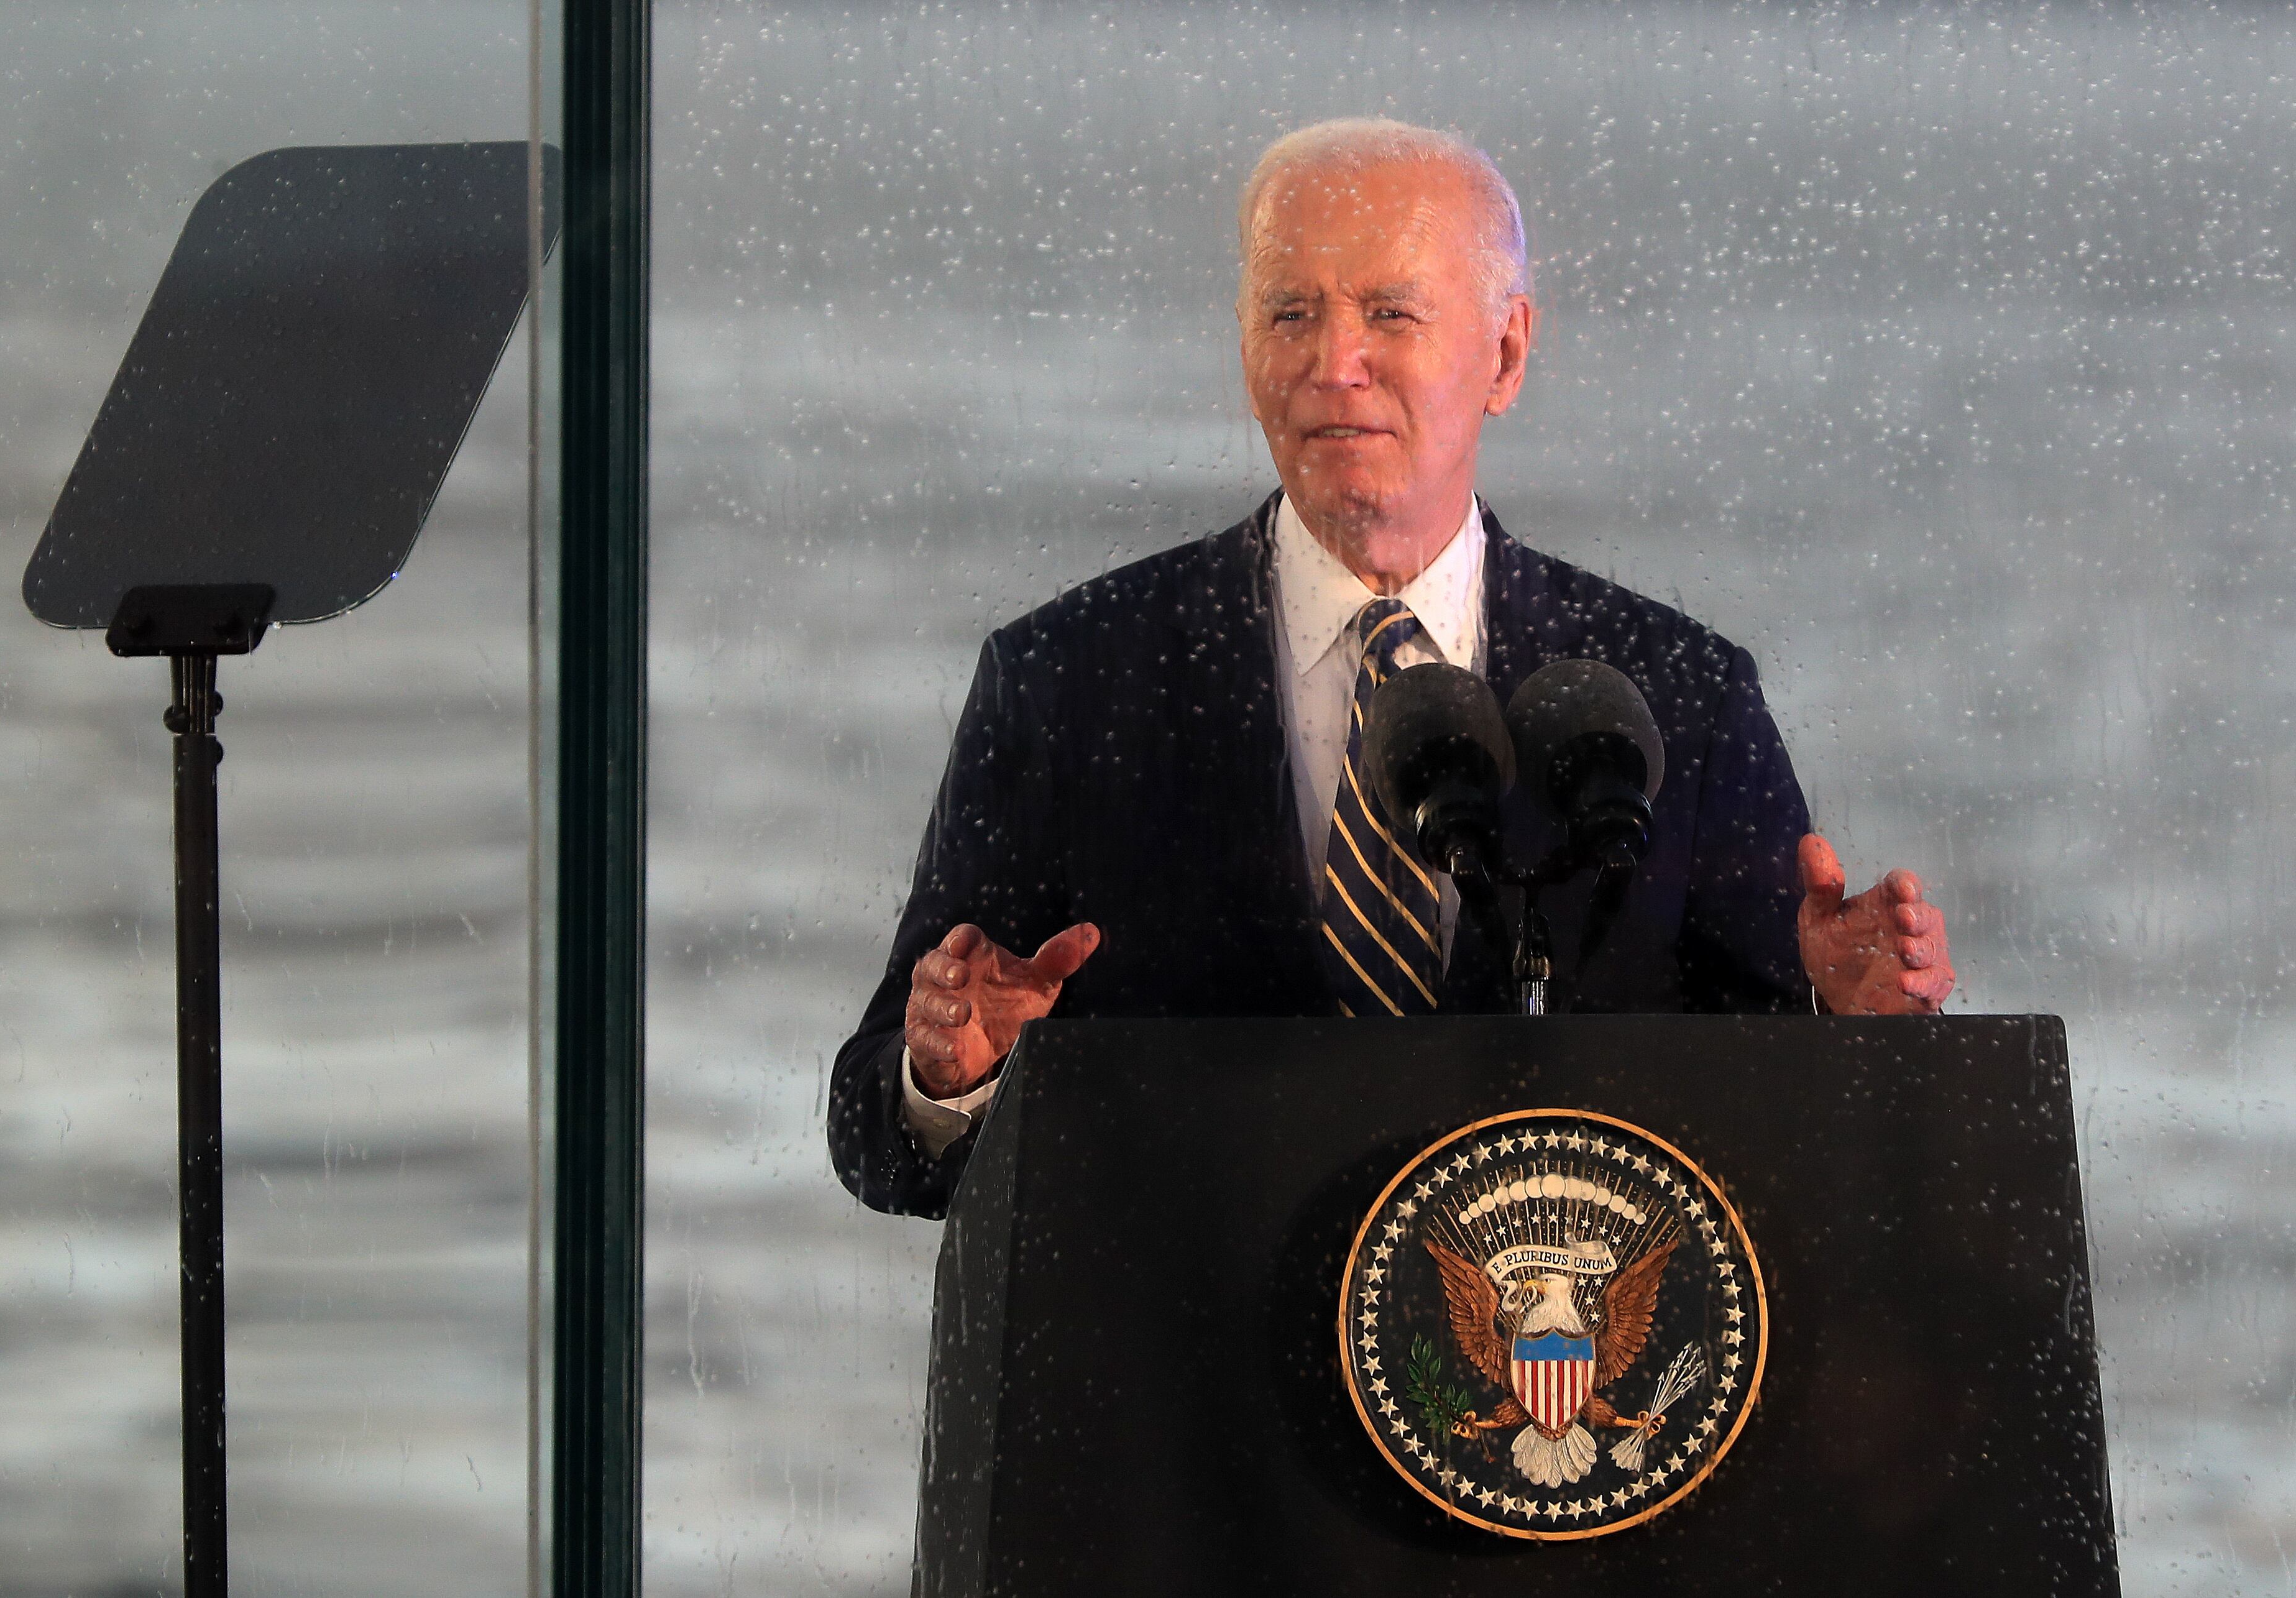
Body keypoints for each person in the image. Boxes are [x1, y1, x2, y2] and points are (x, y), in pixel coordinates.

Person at [829, 119, 1955, 1219]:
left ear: (1505, 353)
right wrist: (955, 1078)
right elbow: (882, 1138)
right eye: (1290, 313)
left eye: (1389, 314)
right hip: (1179, 1388)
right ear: (1244, 346)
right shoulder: (1069, 682)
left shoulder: (1677, 695)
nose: (1334, 363)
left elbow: (1799, 1152)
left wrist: (1847, 1025)